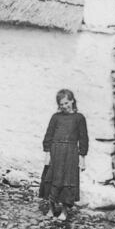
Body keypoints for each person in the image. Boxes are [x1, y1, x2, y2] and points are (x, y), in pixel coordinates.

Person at [39, 89, 88, 222]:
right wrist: (47, 153)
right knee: (51, 179)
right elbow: (48, 135)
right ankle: (51, 208)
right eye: (61, 104)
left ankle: (64, 211)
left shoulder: (79, 118)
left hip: (70, 154)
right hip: (55, 152)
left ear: (72, 100)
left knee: (67, 181)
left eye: (66, 103)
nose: (64, 106)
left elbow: (83, 139)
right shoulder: (56, 117)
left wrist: (82, 158)